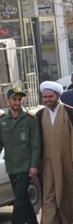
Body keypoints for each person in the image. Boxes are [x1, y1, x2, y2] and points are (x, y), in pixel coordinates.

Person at [36, 81, 73, 224]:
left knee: (68, 192)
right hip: (48, 163)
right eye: (45, 97)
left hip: (68, 161)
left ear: (58, 95)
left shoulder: (70, 111)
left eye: (50, 96)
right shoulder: (40, 114)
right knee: (49, 195)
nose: (47, 100)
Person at [0, 87, 40, 224]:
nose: (17, 102)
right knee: (24, 199)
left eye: (19, 99)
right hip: (11, 166)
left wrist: (34, 165)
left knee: (19, 201)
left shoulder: (30, 119)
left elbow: (36, 144)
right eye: (14, 99)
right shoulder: (2, 120)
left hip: (26, 167)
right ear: (8, 100)